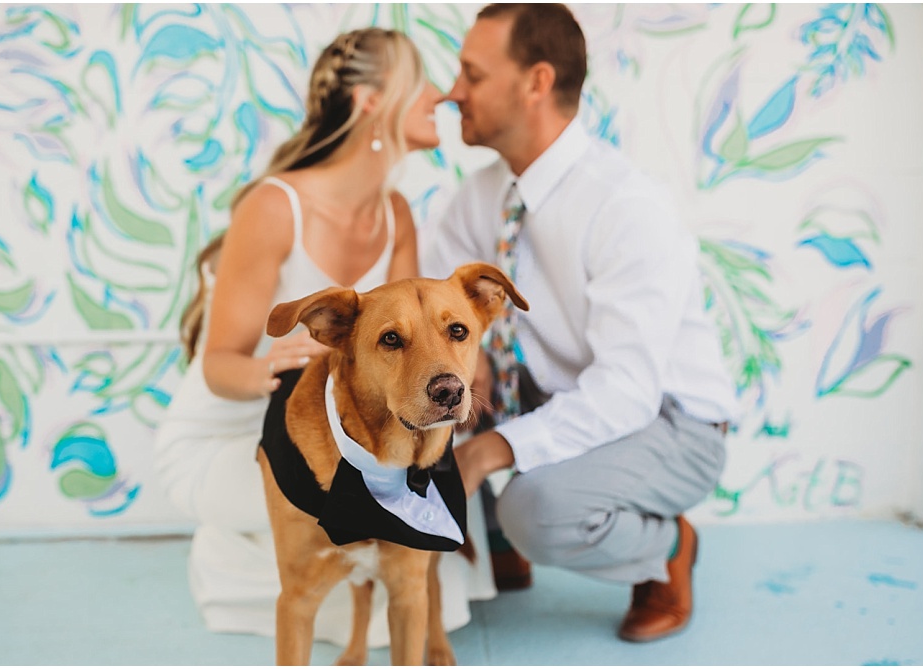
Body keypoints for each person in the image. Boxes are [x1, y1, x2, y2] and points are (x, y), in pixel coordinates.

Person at [154, 27, 495, 647]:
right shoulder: (274, 206)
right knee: (332, 527)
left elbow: (410, 355)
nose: (443, 95)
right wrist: (272, 366)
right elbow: (218, 366)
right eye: (423, 81)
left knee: (417, 536)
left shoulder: (396, 213)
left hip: (349, 410)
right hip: (238, 416)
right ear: (373, 101)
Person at [420, 4, 739, 643]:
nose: (452, 92)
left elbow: (625, 391)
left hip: (670, 421)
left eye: (471, 75)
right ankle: (498, 548)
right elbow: (432, 316)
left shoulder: (624, 205)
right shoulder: (480, 197)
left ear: (536, 82)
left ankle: (666, 548)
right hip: (551, 393)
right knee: (414, 408)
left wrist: (492, 448)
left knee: (535, 509)